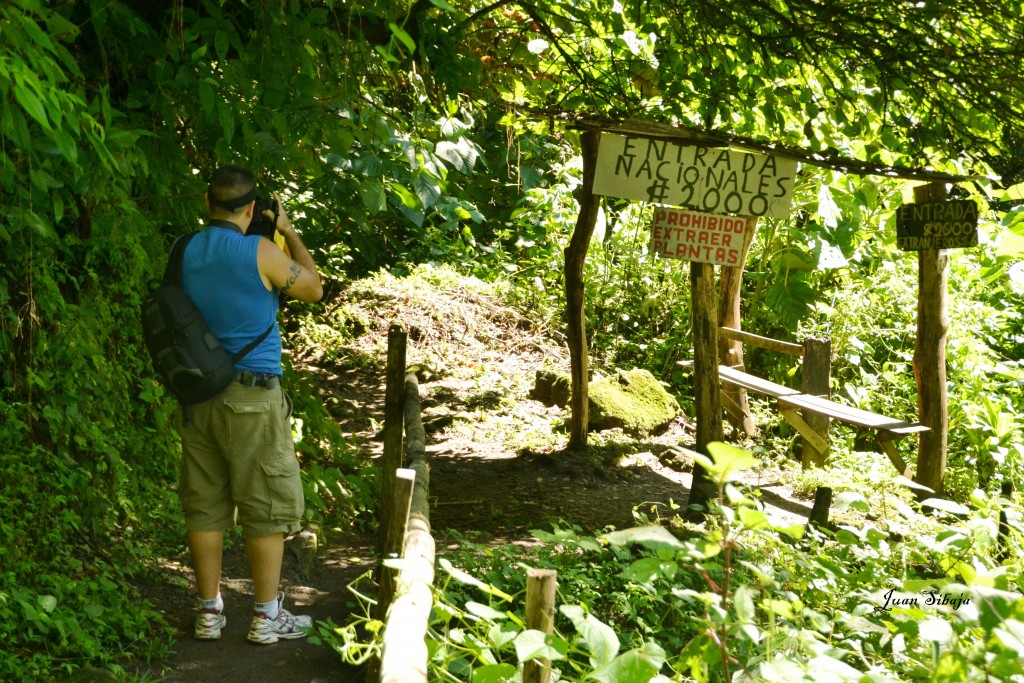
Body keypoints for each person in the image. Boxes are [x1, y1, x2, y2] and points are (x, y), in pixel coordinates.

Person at [174, 165, 324, 645]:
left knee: (205, 505)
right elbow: (313, 288)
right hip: (252, 397)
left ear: (207, 202)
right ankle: (264, 616)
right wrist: (287, 230)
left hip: (197, 394)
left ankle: (209, 612)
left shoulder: (185, 250)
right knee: (264, 505)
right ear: (256, 208)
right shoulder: (261, 252)